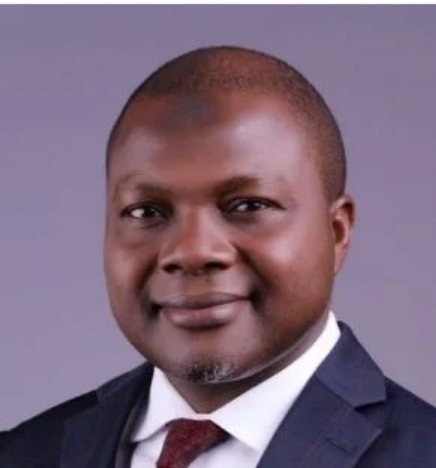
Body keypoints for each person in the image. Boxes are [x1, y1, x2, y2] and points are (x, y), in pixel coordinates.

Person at [1, 45, 436, 468]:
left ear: (337, 233)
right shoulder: (22, 454)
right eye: (147, 212)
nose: (192, 252)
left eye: (248, 205)